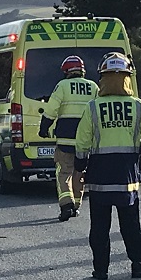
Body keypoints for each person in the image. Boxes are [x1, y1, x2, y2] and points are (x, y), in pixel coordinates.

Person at [74, 52, 141, 280]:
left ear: (103, 78)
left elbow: (82, 142)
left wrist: (80, 164)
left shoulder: (93, 108)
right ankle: (137, 266)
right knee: (131, 226)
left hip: (100, 178)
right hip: (127, 179)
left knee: (100, 228)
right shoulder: (138, 106)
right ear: (127, 78)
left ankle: (101, 270)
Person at [38, 55, 96, 221]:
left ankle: (66, 205)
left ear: (66, 71)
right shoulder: (93, 87)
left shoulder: (62, 86)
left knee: (63, 173)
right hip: (85, 141)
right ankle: (76, 206)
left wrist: (44, 128)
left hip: (65, 140)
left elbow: (51, 110)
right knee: (80, 172)